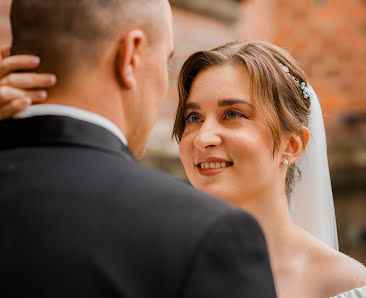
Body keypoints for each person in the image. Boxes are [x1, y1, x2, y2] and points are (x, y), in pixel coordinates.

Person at [0, 1, 277, 298]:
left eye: (233, 114)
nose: (203, 137)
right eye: (164, 60)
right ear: (130, 56)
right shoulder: (203, 233)